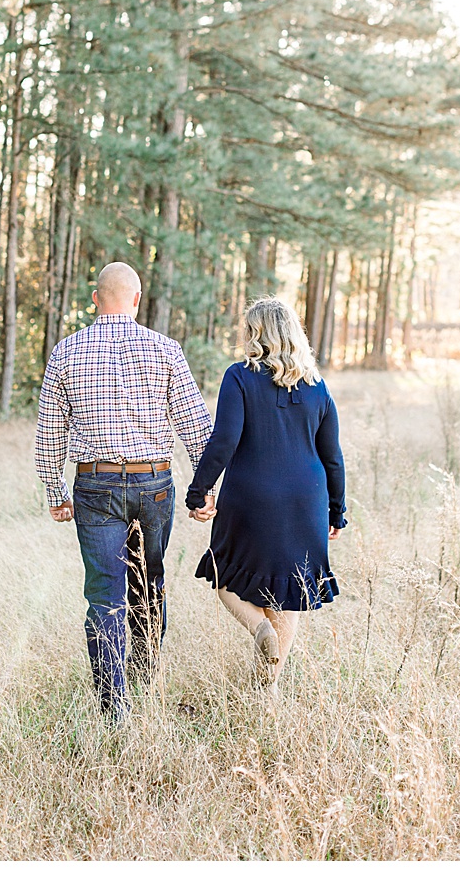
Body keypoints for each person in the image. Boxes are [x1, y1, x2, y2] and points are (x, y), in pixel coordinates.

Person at [35, 261, 213, 721]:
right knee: (149, 585)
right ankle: (145, 679)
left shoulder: (66, 352)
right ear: (136, 300)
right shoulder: (165, 349)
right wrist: (206, 489)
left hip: (94, 485)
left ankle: (115, 707)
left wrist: (56, 491)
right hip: (153, 483)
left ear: (96, 299)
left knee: (103, 594)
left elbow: (50, 434)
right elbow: (198, 428)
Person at [186, 297, 347, 685]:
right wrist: (336, 511)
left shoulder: (239, 376)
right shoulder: (316, 386)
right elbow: (333, 457)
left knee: (226, 579)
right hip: (307, 500)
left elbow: (224, 440)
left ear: (254, 333)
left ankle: (259, 628)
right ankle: (268, 691)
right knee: (288, 593)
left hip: (250, 497)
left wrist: (199, 491)